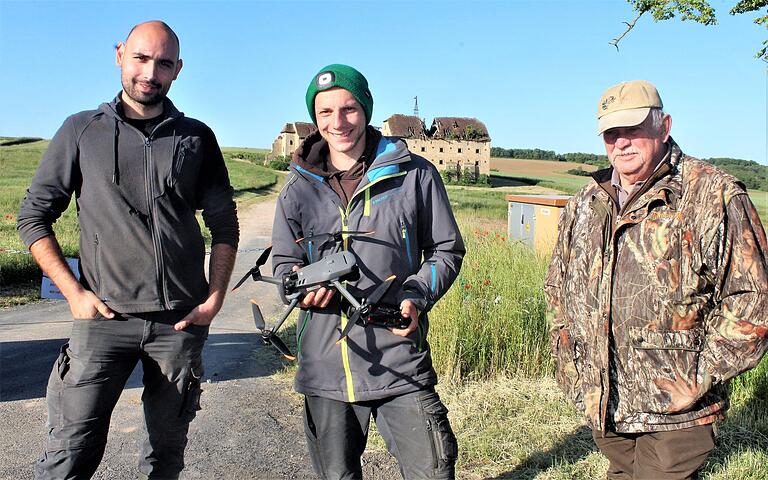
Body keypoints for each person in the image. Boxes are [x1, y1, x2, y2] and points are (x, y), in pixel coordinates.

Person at [17, 20, 239, 479]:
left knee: (165, 455)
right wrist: (74, 294)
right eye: (141, 58)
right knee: (69, 454)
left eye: (162, 63)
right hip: (102, 321)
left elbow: (224, 225)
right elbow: (32, 218)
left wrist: (214, 299)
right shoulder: (81, 131)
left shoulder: (196, 138)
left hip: (179, 324)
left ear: (177, 69)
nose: (150, 72)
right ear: (120, 54)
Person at [544, 79, 768, 479]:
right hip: (605, 405)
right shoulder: (586, 203)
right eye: (612, 133)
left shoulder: (711, 195)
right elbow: (557, 285)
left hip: (675, 415)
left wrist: (699, 376)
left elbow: (754, 298)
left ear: (664, 127)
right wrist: (570, 362)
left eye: (634, 129)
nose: (622, 143)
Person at [270, 64, 465, 479]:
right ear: (314, 117)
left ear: (366, 110)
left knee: (433, 471)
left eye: (349, 109)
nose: (338, 123)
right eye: (325, 112)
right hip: (325, 367)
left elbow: (446, 249)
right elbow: (284, 264)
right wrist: (301, 289)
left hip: (399, 358)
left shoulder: (415, 174)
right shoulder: (297, 187)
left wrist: (416, 295)